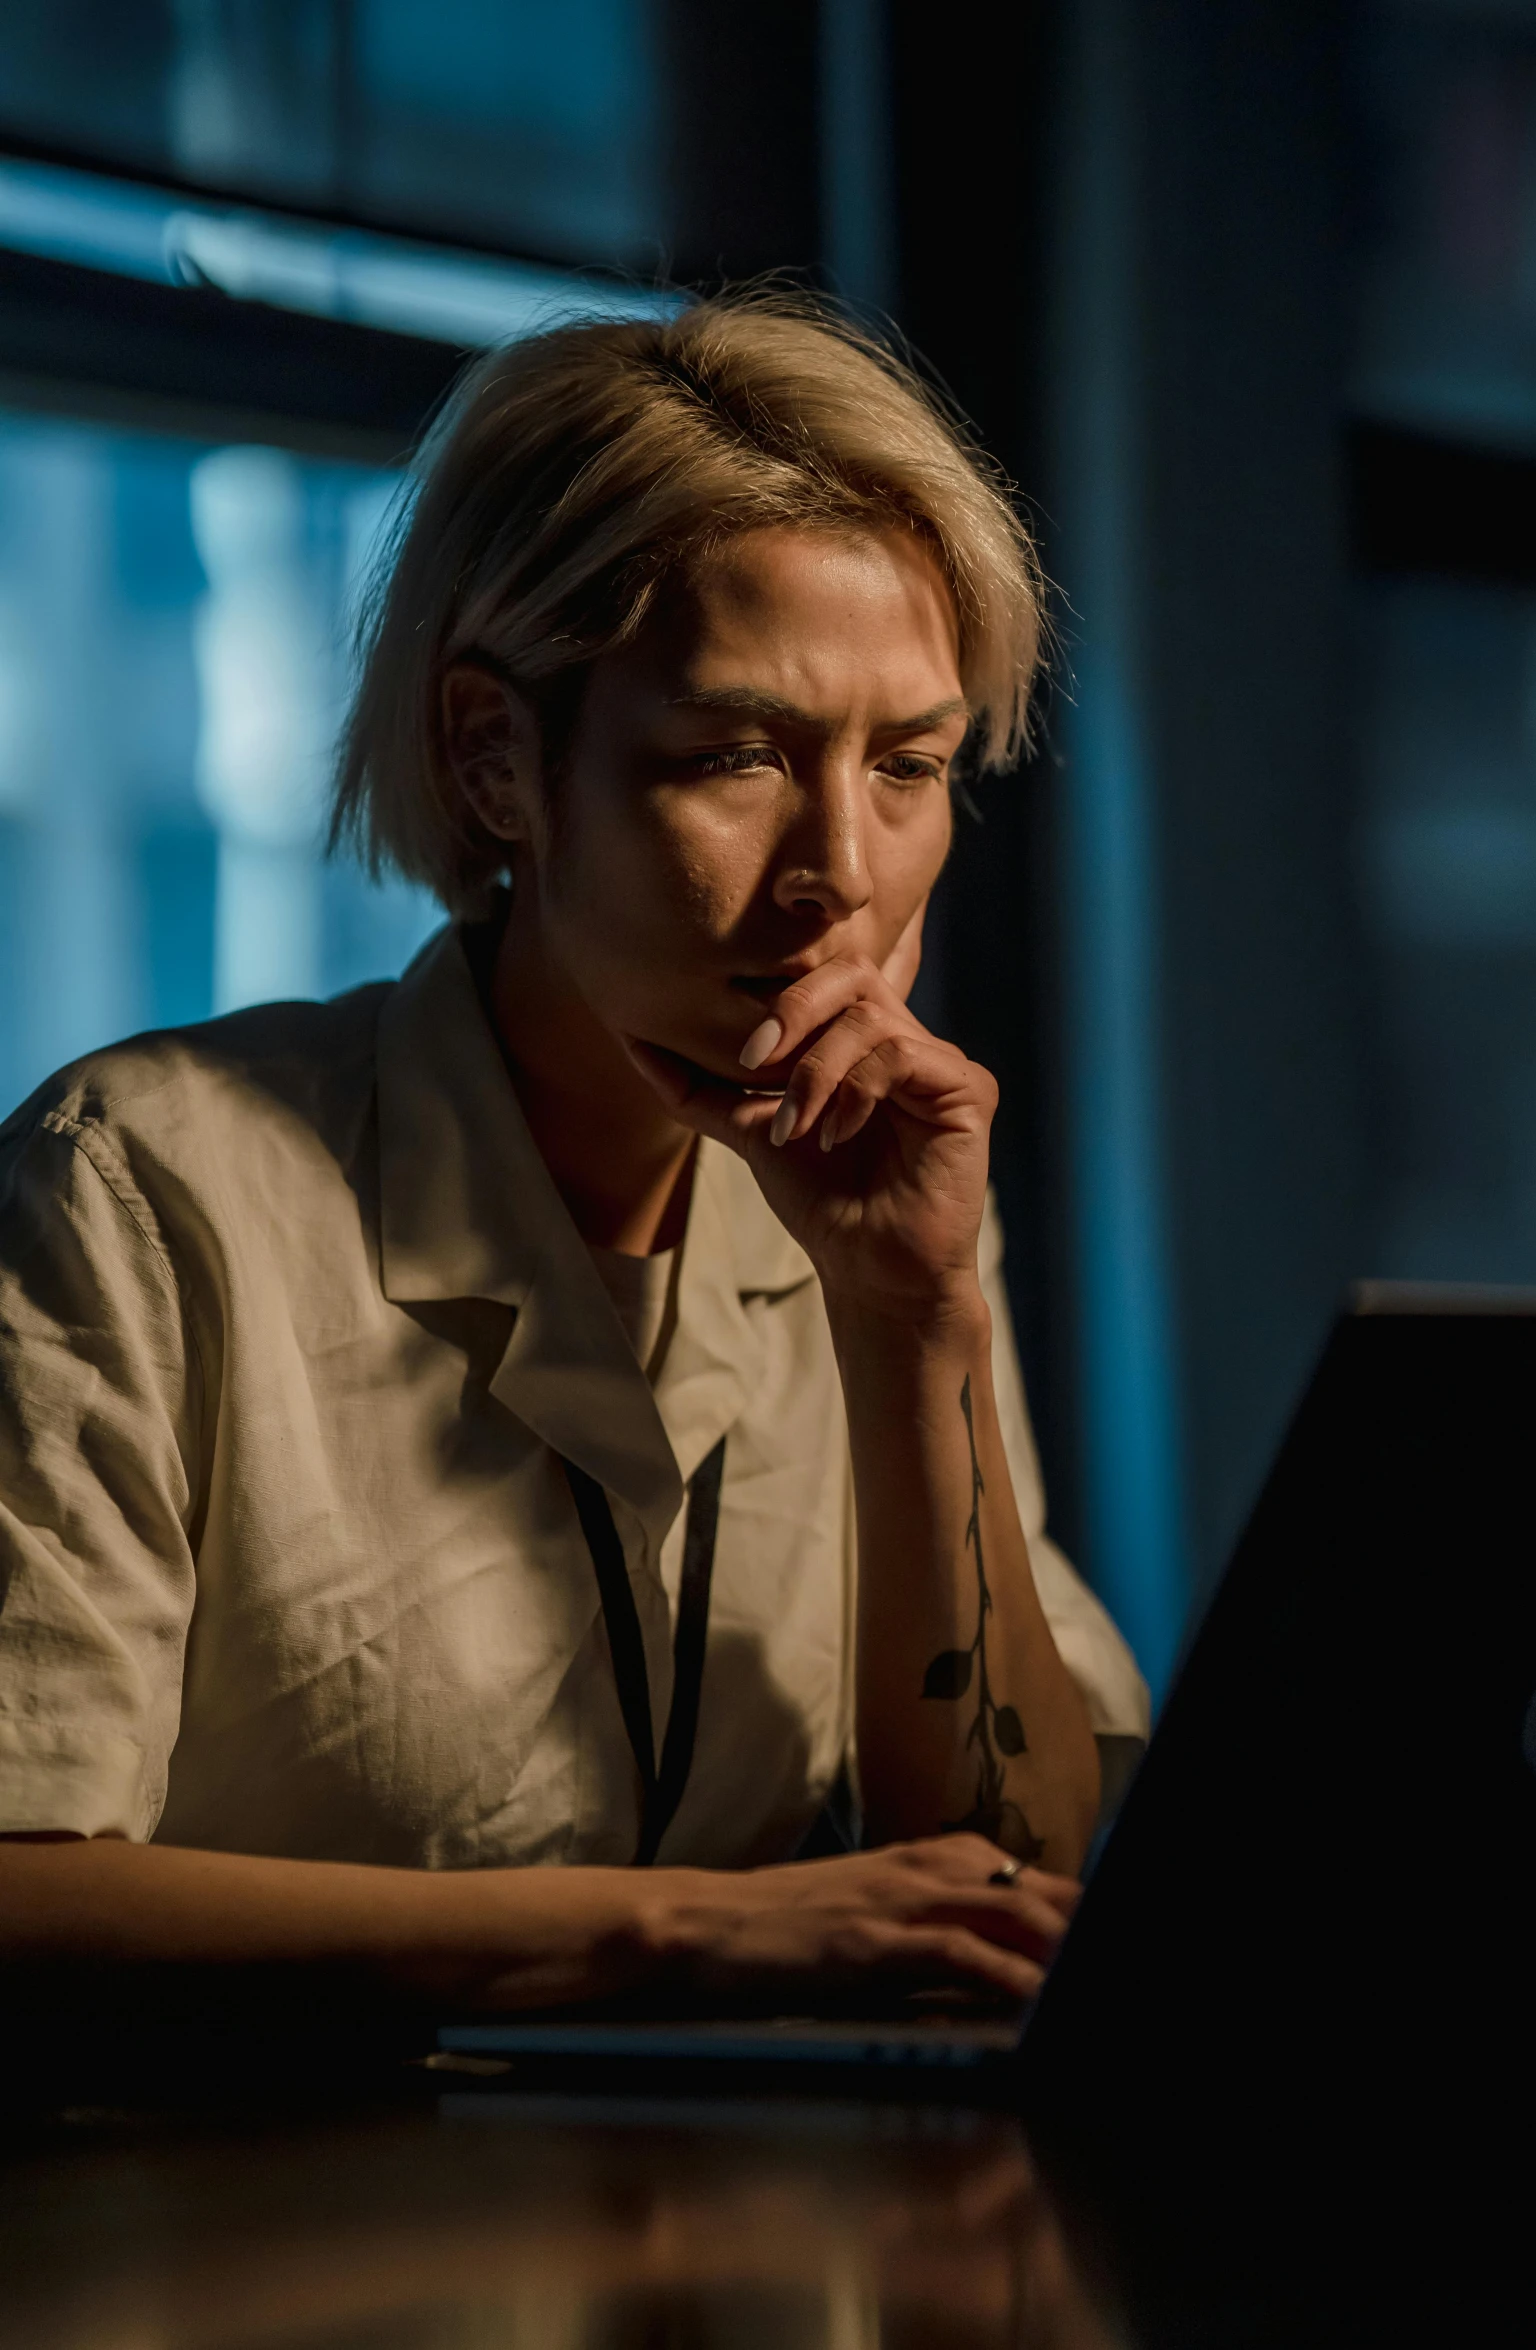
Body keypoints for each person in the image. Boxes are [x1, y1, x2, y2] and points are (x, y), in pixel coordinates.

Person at [0, 296, 1147, 2019]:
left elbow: (1013, 1887)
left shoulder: (892, 1217)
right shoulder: (143, 1194)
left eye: (907, 764)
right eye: (730, 756)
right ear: (493, 757)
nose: (839, 868)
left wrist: (912, 1326)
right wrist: (667, 1930)